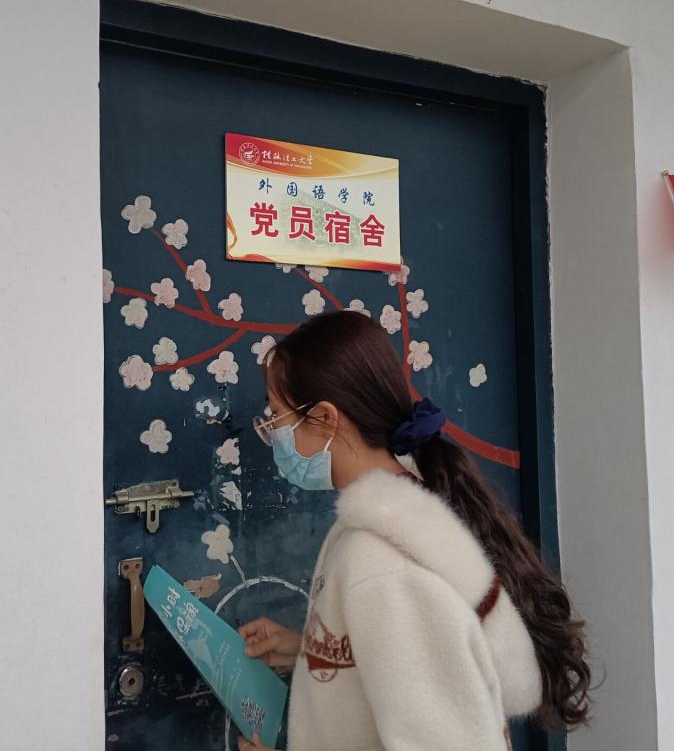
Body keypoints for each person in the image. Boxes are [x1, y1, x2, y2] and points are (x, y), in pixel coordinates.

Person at [237, 311, 591, 751]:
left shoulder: (385, 564)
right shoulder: (389, 520)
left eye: (275, 418)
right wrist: (312, 650)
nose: (272, 434)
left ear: (326, 418)